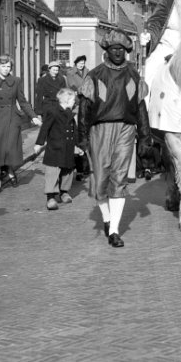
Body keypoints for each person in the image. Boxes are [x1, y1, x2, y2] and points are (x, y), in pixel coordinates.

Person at [77, 30, 152, 248]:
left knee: (119, 178)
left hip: (126, 130)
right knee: (100, 180)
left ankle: (114, 230)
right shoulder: (94, 75)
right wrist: (82, 138)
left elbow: (141, 107)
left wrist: (145, 136)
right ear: (107, 51)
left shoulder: (133, 75)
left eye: (122, 49)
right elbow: (84, 108)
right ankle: (107, 218)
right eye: (114, 49)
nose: (118, 52)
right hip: (99, 131)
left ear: (127, 51)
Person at [0, 54, 42, 193]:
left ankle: (10, 171)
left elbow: (23, 101)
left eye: (8, 66)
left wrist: (33, 116)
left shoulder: (16, 81)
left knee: (10, 149)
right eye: (3, 66)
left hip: (12, 119)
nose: (6, 69)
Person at [33, 86, 85, 210]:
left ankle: (64, 191)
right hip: (55, 146)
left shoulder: (71, 114)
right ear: (66, 100)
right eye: (73, 100)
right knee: (52, 171)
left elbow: (75, 131)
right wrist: (39, 143)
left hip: (68, 146)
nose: (74, 103)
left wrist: (79, 145)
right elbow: (45, 127)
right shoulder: (53, 111)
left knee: (68, 170)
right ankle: (50, 196)